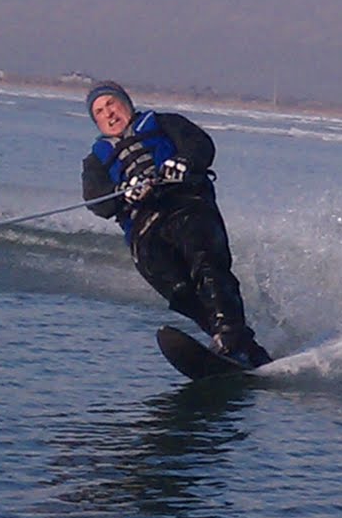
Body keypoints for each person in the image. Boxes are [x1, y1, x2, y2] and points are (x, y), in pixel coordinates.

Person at [81, 81, 272, 369]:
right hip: (144, 229)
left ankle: (231, 338)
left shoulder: (165, 124)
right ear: (96, 121)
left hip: (187, 205)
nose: (109, 113)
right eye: (99, 111)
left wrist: (183, 161)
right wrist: (124, 192)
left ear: (126, 103)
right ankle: (241, 345)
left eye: (111, 104)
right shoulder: (95, 161)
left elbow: (201, 145)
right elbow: (97, 201)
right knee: (179, 291)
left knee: (206, 266)